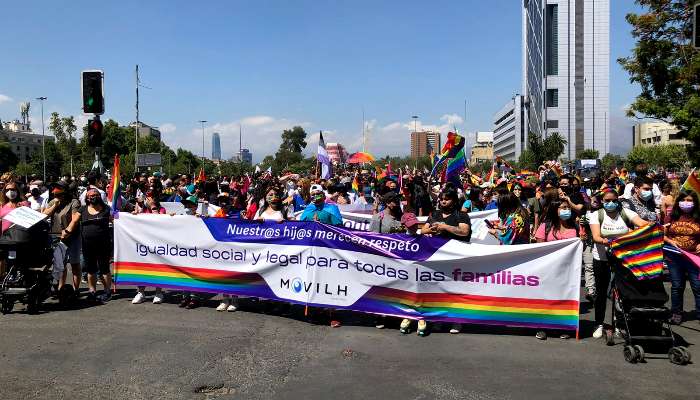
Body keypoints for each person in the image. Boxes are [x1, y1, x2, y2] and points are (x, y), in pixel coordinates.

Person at [408, 187, 471, 336]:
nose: (443, 201)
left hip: (456, 259)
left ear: (454, 201)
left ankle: (457, 320)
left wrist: (445, 227)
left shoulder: (461, 215)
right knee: (439, 290)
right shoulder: (434, 214)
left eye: (446, 199)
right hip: (436, 259)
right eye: (441, 198)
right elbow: (423, 230)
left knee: (455, 290)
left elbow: (464, 231)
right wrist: (431, 230)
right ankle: (439, 319)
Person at [588, 188, 648, 339]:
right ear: (602, 201)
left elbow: (641, 223)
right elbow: (596, 236)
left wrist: (653, 226)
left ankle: (619, 323)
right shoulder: (596, 215)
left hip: (623, 258)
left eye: (614, 200)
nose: (611, 203)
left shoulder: (626, 213)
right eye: (607, 201)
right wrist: (606, 241)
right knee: (601, 292)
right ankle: (599, 323)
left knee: (622, 292)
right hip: (601, 258)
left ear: (618, 200)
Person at [533, 199, 579, 340]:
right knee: (546, 299)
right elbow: (539, 249)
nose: (567, 210)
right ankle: (542, 327)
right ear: (555, 210)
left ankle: (562, 327)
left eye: (568, 208)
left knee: (562, 298)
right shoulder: (545, 226)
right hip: (548, 271)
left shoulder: (575, 227)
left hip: (566, 272)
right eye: (563, 207)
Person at [664, 191, 700, 325]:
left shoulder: (698, 217)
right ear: (678, 201)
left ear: (695, 202)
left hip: (694, 258)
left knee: (698, 287)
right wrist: (670, 241)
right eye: (684, 199)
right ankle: (676, 313)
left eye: (690, 200)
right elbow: (662, 234)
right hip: (675, 257)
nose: (686, 202)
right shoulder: (671, 217)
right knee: (677, 286)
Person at [43, 182, 82, 293]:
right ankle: (61, 288)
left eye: (59, 194)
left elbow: (75, 219)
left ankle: (76, 289)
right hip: (56, 235)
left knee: (74, 263)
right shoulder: (52, 202)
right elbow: (44, 216)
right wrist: (55, 205)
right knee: (60, 264)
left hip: (72, 235)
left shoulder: (74, 202)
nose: (57, 197)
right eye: (55, 195)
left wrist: (68, 230)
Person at [80, 188, 113, 303]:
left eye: (95, 195)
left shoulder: (107, 210)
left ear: (100, 196)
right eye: (90, 195)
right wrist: (67, 230)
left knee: (104, 269)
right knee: (91, 269)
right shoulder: (82, 210)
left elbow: (118, 221)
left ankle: (107, 291)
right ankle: (92, 291)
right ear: (87, 198)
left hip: (104, 245)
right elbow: (73, 222)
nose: (93, 197)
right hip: (87, 245)